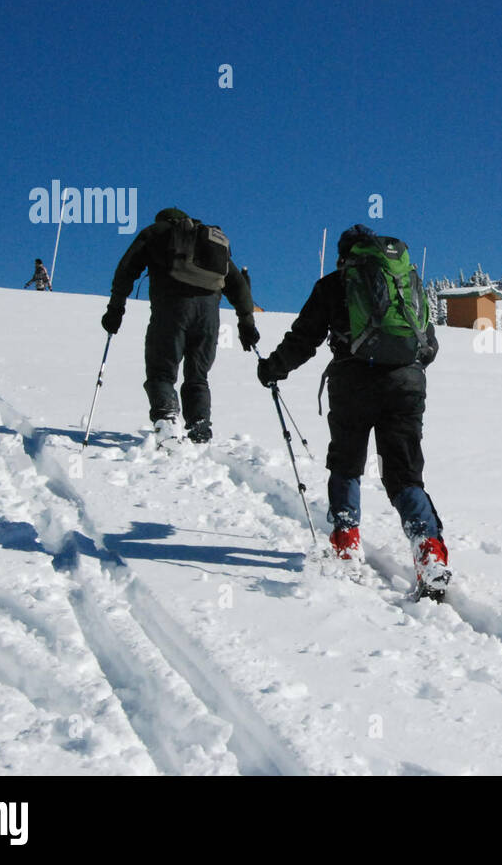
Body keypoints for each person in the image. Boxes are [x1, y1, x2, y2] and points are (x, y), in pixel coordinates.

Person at [256, 224, 449, 596]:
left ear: (343, 256)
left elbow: (304, 338)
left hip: (352, 384)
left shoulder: (334, 284)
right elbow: (429, 346)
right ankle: (430, 553)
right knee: (404, 475)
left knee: (347, 463)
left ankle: (346, 545)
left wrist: (273, 368)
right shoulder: (405, 281)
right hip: (407, 385)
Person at [100, 207, 258, 445]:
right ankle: (200, 426)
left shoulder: (156, 232)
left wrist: (115, 310)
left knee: (161, 370)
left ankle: (167, 419)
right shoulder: (208, 240)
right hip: (208, 317)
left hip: (172, 310)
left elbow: (126, 270)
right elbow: (238, 285)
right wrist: (246, 323)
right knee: (198, 375)